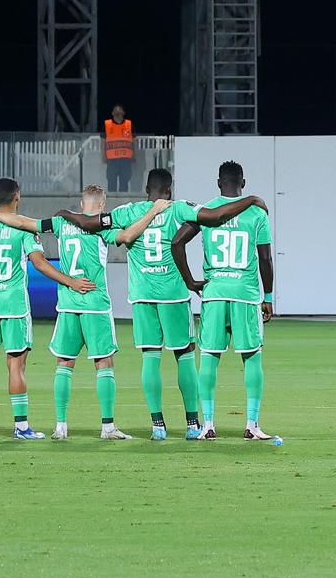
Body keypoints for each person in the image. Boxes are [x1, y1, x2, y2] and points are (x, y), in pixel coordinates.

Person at [45, 168, 261, 440]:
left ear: (146, 189)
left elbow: (90, 223)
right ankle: (192, 424)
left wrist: (65, 214)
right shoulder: (177, 209)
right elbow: (215, 215)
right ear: (169, 190)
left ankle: (158, 425)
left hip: (142, 295)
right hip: (172, 294)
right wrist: (251, 200)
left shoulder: (127, 212)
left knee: (150, 356)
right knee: (184, 355)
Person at [0, 177, 94, 440]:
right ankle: (21, 427)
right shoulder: (24, 228)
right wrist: (71, 281)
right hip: (14, 305)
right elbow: (39, 263)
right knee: (16, 366)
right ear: (17, 195)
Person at [31, 185, 167, 440]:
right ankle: (107, 427)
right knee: (104, 363)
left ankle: (60, 427)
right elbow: (127, 236)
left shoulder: (61, 224)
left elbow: (27, 223)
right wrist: (152, 213)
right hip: (96, 304)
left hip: (68, 304)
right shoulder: (103, 227)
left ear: (82, 204)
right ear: (102, 205)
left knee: (64, 363)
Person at [172, 159, 278, 441]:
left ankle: (208, 425)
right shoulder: (256, 213)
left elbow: (177, 242)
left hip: (215, 293)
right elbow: (265, 258)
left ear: (219, 183)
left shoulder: (206, 211)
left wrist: (190, 281)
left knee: (209, 357)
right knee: (252, 356)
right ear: (243, 183)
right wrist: (268, 296)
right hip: (245, 294)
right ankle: (252, 425)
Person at [103, 104, 136, 194]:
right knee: (111, 184)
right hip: (111, 160)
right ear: (112, 113)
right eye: (116, 111)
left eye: (120, 111)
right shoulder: (107, 124)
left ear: (123, 113)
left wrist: (134, 155)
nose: (118, 113)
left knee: (124, 184)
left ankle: (123, 202)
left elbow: (133, 141)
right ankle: (112, 201)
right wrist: (103, 156)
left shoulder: (129, 124)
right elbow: (103, 142)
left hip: (125, 160)